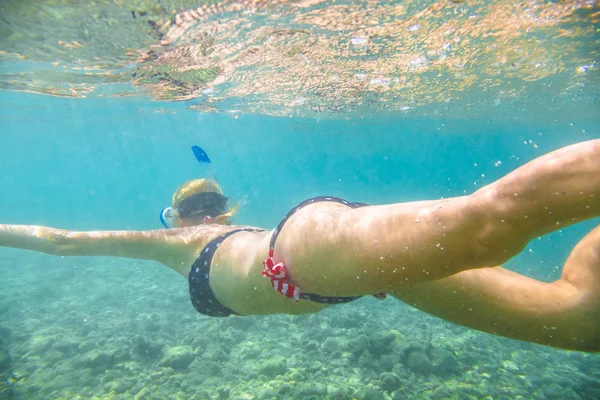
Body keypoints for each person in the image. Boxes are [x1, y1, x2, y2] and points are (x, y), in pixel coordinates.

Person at [1, 140, 599, 352]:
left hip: (306, 259)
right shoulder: (228, 228)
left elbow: (60, 242)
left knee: (486, 225)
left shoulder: (173, 241)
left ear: (180, 216)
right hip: (337, 264)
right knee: (573, 319)